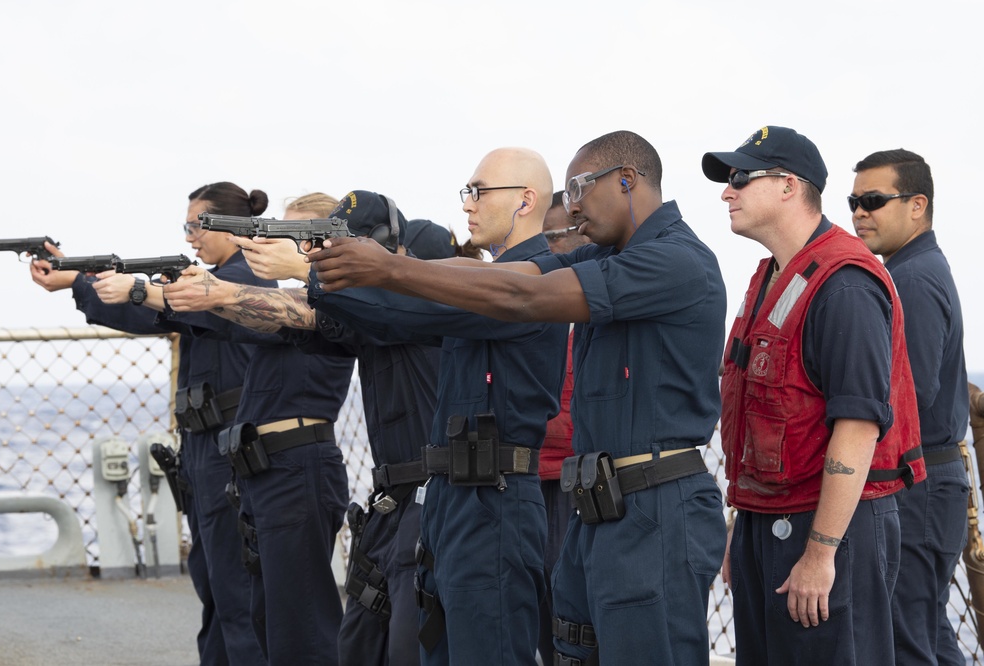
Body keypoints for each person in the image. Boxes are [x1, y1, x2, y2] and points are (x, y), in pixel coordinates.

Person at [310, 131, 728, 665]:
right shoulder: (604, 256)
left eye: (580, 185)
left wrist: (390, 269)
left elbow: (521, 294)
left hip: (654, 504)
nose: (570, 202)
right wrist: (356, 268)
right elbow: (498, 276)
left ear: (627, 180)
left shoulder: (674, 261)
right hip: (597, 505)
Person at [304, 148, 568, 665]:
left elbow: (409, 303)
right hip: (451, 498)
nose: (467, 204)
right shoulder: (485, 281)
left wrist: (324, 268)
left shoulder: (531, 279)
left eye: (479, 190)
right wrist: (325, 272)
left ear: (524, 200)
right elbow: (389, 321)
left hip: (494, 499)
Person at [166, 190, 448, 666]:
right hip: (379, 494)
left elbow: (341, 302)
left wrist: (272, 277)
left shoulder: (401, 301)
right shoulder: (355, 308)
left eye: (307, 237)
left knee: (325, 634)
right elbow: (294, 314)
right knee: (324, 635)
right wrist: (219, 294)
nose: (304, 248)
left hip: (339, 476)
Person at [702, 126, 926, 665]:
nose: (726, 192)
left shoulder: (844, 285)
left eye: (739, 178)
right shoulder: (772, 280)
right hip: (768, 523)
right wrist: (744, 524)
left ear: (787, 186)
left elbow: (858, 425)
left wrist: (821, 553)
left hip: (827, 529)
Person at [30, 181, 270, 666]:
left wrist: (95, 283)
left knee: (236, 591)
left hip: (230, 452)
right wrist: (78, 277)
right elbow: (151, 315)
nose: (190, 239)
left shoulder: (240, 282)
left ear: (229, 224)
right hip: (206, 449)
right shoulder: (215, 279)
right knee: (215, 589)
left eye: (195, 226)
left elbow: (166, 306)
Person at [135, 190, 356, 666]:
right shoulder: (285, 294)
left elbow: (259, 314)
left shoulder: (333, 301)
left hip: (296, 469)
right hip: (263, 470)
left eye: (289, 233)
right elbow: (236, 313)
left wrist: (212, 293)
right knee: (265, 619)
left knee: (303, 631)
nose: (273, 240)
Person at [850, 149, 969, 665]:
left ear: (917, 205)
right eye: (854, 201)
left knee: (907, 643)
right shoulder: (914, 270)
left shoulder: (912, 280)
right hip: (929, 486)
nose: (859, 213)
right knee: (925, 635)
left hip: (917, 488)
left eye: (873, 200)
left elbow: (905, 400)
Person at [536, 189, 589, 666]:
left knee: (568, 621)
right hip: (531, 486)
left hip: (571, 490)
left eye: (551, 236)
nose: (545, 247)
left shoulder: (584, 313)